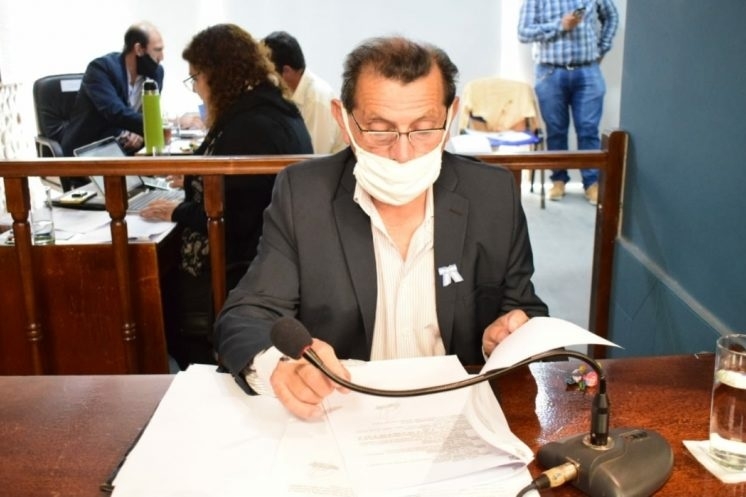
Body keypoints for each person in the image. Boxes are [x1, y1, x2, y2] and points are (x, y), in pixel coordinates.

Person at [214, 36, 548, 419]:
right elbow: (246, 315)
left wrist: (507, 337)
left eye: (424, 128)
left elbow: (524, 309)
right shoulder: (303, 195)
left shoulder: (492, 195)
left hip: (457, 413)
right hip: (340, 413)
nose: (403, 154)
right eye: (379, 130)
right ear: (344, 120)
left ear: (451, 115)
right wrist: (280, 365)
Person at [139, 23, 312, 369]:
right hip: (256, 256)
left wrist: (177, 211)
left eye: (196, 77)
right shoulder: (262, 106)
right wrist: (193, 179)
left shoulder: (250, 124)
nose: (195, 88)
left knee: (150, 290)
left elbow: (235, 218)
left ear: (217, 74)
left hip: (238, 267)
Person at [518, 0, 619, 205]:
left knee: (588, 129)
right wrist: (560, 25)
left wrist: (602, 48)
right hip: (550, 72)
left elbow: (612, 16)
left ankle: (591, 183)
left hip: (587, 70)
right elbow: (524, 32)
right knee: (556, 130)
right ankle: (558, 180)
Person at [62, 21, 164, 160]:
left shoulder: (156, 73)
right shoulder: (101, 69)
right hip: (90, 151)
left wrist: (141, 134)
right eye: (157, 50)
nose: (161, 57)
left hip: (129, 151)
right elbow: (115, 112)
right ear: (139, 49)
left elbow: (147, 113)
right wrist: (159, 125)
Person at [262, 31, 346, 154]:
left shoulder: (317, 100)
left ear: (287, 71)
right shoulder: (291, 92)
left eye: (269, 72)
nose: (267, 78)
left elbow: (314, 155)